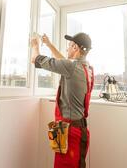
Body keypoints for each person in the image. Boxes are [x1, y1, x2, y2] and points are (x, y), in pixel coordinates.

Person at [31, 32, 94, 168]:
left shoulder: (71, 67)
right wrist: (49, 44)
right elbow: (63, 62)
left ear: (76, 48)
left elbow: (34, 59)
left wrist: (35, 45)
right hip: (79, 130)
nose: (67, 49)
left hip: (68, 132)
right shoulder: (87, 69)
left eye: (70, 45)